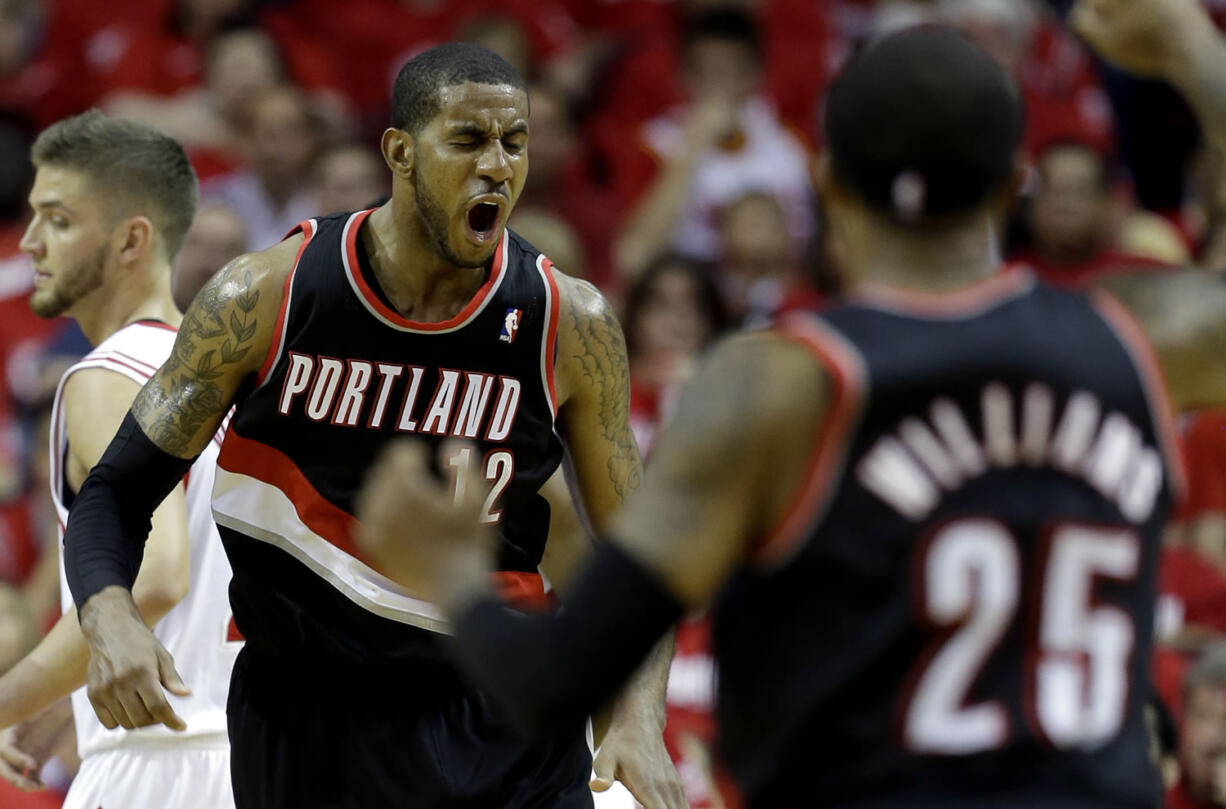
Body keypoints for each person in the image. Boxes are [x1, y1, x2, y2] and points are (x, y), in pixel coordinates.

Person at [354, 4, 1226, 807]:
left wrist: (453, 578)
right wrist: (1193, 53)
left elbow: (552, 684)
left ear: (827, 182)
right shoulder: (1130, 341)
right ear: (1015, 184)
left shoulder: (783, 385)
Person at [61, 44, 682, 809]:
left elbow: (642, 554)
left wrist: (640, 718)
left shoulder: (568, 322)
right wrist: (108, 608)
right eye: (467, 140)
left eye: (514, 142)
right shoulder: (268, 295)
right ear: (400, 152)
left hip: (503, 710)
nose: (498, 166)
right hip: (311, 718)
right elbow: (116, 491)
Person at [0, 111, 238, 808]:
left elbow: (157, 574)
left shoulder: (107, 375)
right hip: (251, 754)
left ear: (132, 237)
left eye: (58, 220)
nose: (32, 241)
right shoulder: (222, 378)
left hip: (161, 764)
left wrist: (7, 697)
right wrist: (57, 700)